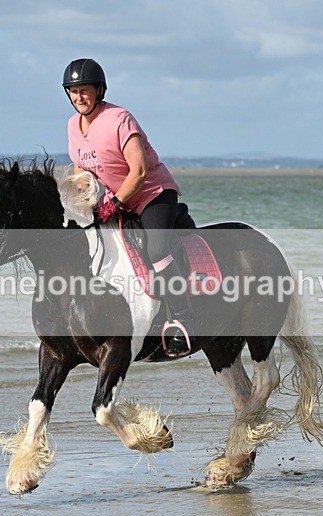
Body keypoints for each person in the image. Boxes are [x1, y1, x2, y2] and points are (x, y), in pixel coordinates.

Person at [62, 58, 193, 356]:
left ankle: (183, 321)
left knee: (157, 250)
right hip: (111, 200)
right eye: (73, 91)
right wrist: (77, 202)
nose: (79, 97)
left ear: (99, 90)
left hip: (151, 195)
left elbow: (139, 172)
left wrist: (116, 201)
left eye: (84, 90)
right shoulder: (72, 126)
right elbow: (81, 173)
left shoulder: (120, 119)